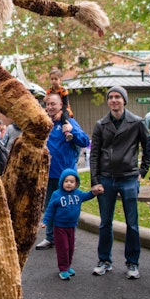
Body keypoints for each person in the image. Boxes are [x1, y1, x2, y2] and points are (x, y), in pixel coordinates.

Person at [89, 85, 150, 279]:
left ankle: (132, 263)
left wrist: (142, 171)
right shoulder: (101, 124)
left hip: (129, 178)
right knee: (105, 223)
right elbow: (95, 154)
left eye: (118, 97)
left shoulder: (137, 123)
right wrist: (95, 180)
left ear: (124, 100)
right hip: (106, 178)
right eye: (111, 97)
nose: (114, 100)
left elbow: (147, 148)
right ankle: (104, 260)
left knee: (132, 224)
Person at [35, 93, 90, 250]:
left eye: (53, 104)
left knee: (67, 208)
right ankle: (50, 238)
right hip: (48, 175)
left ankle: (68, 237)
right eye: (48, 104)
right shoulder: (44, 124)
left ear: (61, 105)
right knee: (50, 206)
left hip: (66, 176)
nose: (50, 107)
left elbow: (84, 141)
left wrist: (72, 131)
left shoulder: (69, 122)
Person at [41, 168, 99, 280]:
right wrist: (45, 222)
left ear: (76, 183)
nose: (68, 184)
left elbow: (87, 196)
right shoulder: (56, 194)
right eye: (66, 181)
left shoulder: (78, 194)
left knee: (71, 247)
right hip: (59, 227)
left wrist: (94, 192)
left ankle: (68, 266)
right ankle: (63, 269)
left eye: (71, 182)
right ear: (61, 182)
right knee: (63, 248)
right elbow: (50, 209)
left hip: (72, 226)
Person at [45, 68, 74, 141]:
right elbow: (47, 100)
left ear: (60, 80)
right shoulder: (49, 90)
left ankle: (67, 132)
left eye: (56, 79)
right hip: (53, 109)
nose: (54, 81)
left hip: (64, 109)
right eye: (52, 79)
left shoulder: (63, 90)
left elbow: (65, 104)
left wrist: (60, 113)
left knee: (64, 116)